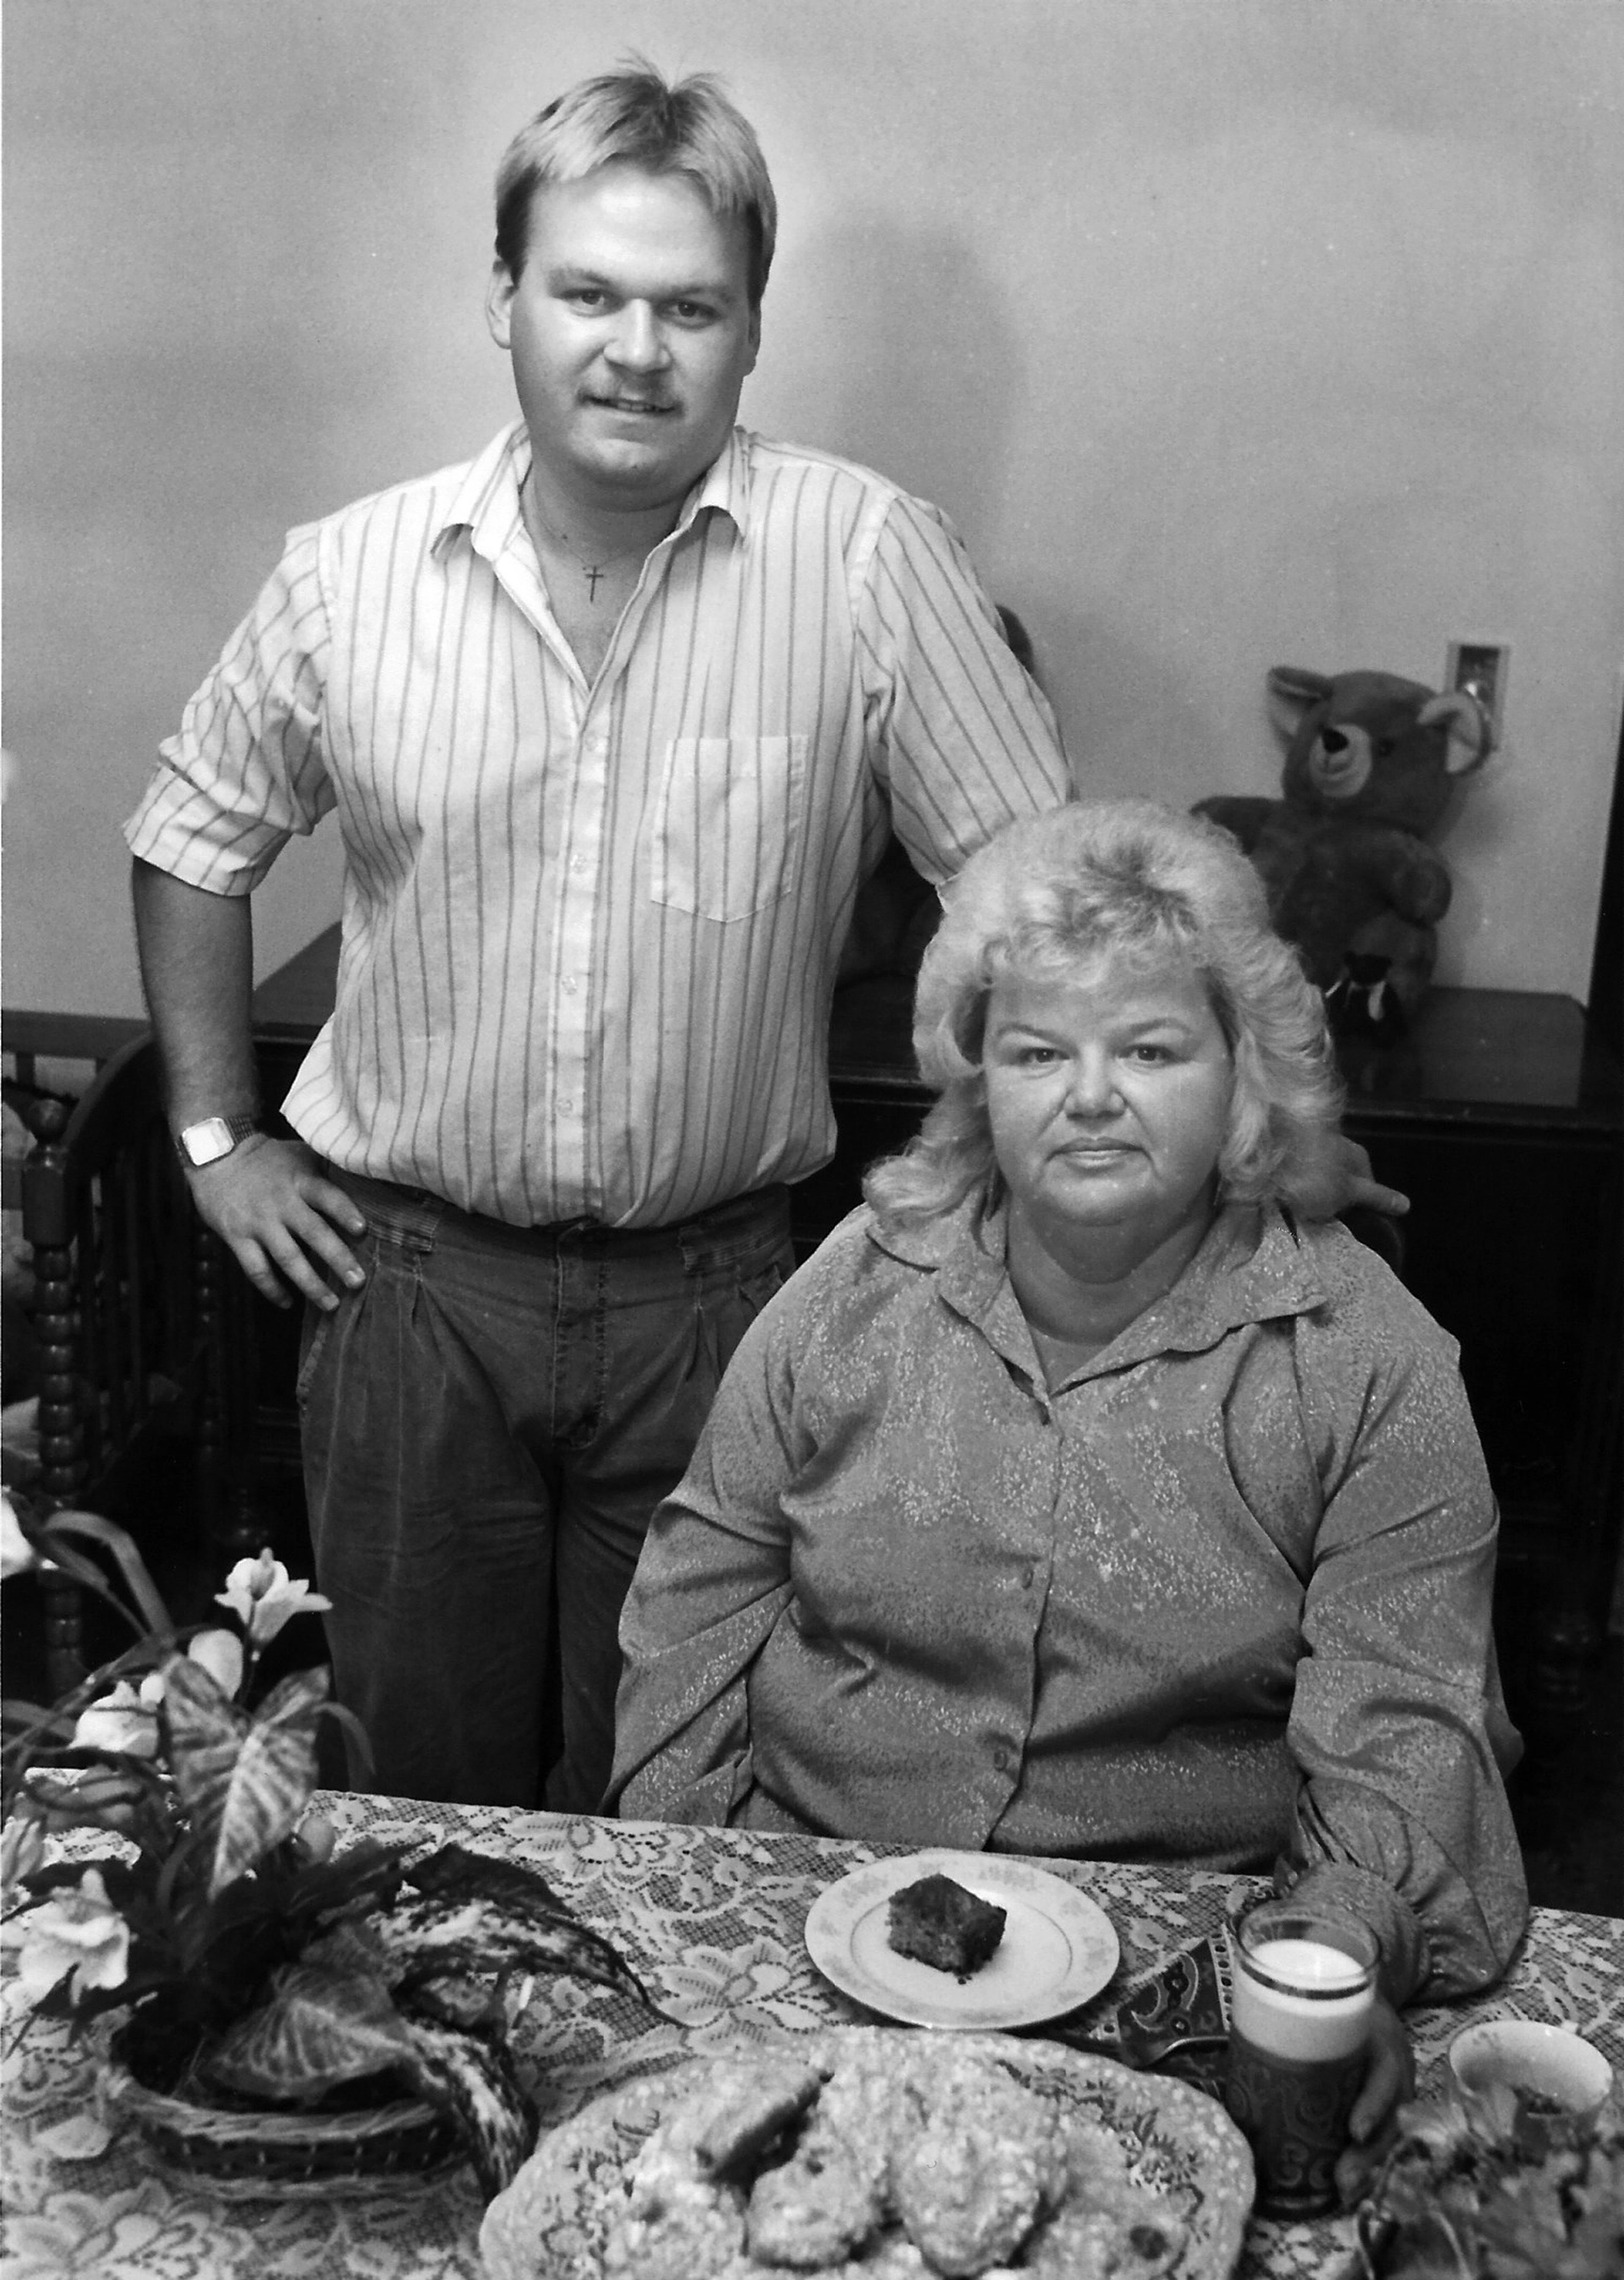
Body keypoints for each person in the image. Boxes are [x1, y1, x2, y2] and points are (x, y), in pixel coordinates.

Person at [123, 64, 1074, 1814]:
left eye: (690, 306)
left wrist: (991, 1189)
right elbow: (191, 838)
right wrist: (212, 1140)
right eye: (589, 294)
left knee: (689, 1797)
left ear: (750, 330)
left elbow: (1038, 899)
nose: (637, 349)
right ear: (504, 300)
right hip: (408, 1298)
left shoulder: (868, 564)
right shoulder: (352, 577)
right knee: (414, 1804)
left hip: (723, 1307)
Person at [609, 800, 1528, 2181]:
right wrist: (714, 1899)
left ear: (1246, 1079)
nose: (1089, 1095)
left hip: (1178, 1974)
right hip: (812, 1917)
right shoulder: (854, 1289)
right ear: (983, 1082)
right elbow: (699, 1597)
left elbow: (1411, 1732)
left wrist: (1323, 1968)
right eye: (1040, 1052)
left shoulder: (1365, 1361)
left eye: (1151, 1049)